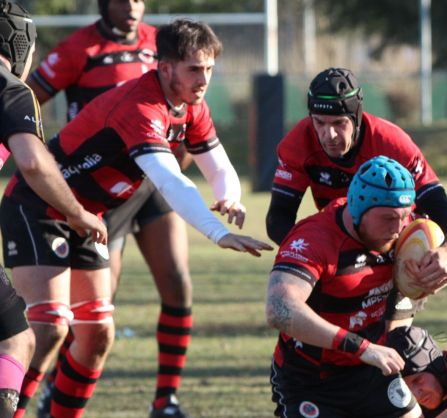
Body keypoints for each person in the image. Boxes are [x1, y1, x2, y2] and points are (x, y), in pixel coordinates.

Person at [1, 19, 272, 418]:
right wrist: (217, 233)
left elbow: (216, 165)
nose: (204, 80)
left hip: (88, 216)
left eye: (209, 69)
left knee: (96, 335)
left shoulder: (190, 105)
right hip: (37, 204)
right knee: (51, 325)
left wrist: (228, 196)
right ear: (165, 68)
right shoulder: (140, 107)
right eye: (194, 69)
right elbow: (170, 181)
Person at [26, 2, 201, 416]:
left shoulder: (161, 45)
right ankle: (55, 387)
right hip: (104, 188)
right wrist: (43, 152)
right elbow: (27, 98)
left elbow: (188, 113)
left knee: (177, 283)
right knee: (96, 305)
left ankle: (166, 400)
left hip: (153, 182)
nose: (133, 7)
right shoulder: (78, 48)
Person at [266, 155, 447, 417]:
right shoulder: (315, 239)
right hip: (311, 379)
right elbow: (279, 309)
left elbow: (426, 276)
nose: (398, 228)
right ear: (358, 208)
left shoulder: (409, 232)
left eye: (404, 216)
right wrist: (361, 347)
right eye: (388, 218)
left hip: (372, 369)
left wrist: (439, 269)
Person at [266, 67, 447, 297]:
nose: (328, 135)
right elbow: (278, 218)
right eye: (319, 122)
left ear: (356, 117)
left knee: (391, 326)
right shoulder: (298, 143)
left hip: (395, 243)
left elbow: (439, 205)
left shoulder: (392, 144)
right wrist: (315, 255)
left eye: (339, 123)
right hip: (340, 239)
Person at [0, 2, 107, 417]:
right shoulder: (9, 87)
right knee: (16, 341)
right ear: (19, 40)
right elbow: (32, 161)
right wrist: (77, 213)